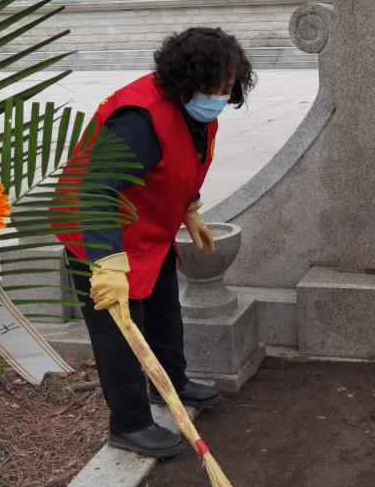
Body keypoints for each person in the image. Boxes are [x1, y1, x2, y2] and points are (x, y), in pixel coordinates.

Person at [55, 27, 256, 458]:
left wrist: (190, 208)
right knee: (122, 332)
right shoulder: (139, 119)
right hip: (99, 230)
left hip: (148, 227)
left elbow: (182, 161)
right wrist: (107, 264)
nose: (219, 97)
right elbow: (96, 190)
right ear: (186, 81)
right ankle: (129, 424)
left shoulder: (195, 111)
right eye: (213, 88)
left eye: (227, 88)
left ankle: (170, 384)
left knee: (165, 312)